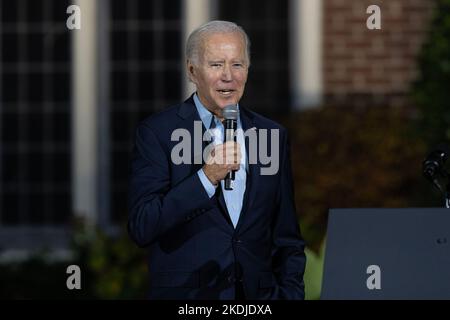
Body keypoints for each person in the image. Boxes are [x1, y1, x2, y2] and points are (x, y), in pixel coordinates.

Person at [128, 20, 306, 300]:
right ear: (192, 70)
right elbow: (143, 225)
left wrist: (291, 294)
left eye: (237, 64)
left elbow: (286, 236)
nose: (228, 76)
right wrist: (206, 178)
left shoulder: (271, 134)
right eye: (216, 65)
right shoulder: (158, 133)